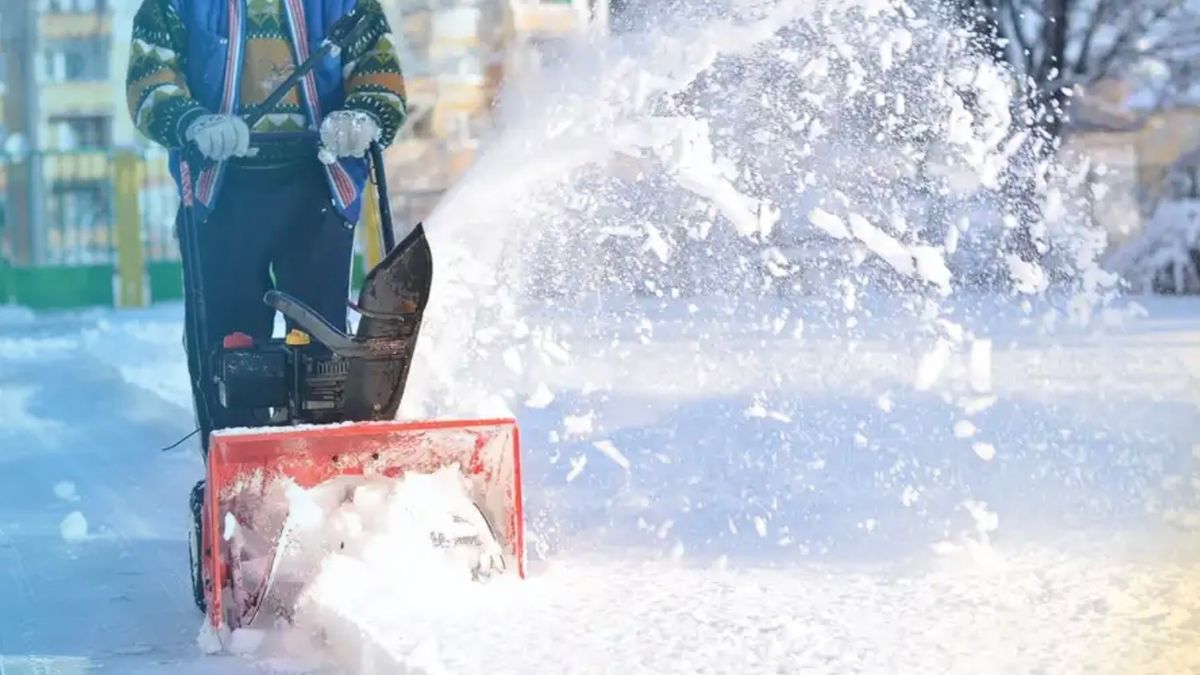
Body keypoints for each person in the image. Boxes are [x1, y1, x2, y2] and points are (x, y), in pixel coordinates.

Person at [125, 0, 408, 452]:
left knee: (323, 343)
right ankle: (235, 457)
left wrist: (365, 114)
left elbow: (379, 68)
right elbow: (150, 79)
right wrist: (193, 122)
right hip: (221, 190)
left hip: (319, 182)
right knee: (227, 344)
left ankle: (324, 457)